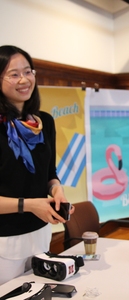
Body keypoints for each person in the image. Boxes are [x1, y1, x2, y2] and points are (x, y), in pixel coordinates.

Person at [0, 45, 74, 285]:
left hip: (41, 232)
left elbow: (49, 174)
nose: (24, 79)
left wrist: (56, 190)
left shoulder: (45, 122)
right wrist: (29, 205)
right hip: (5, 239)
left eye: (28, 71)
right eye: (14, 74)